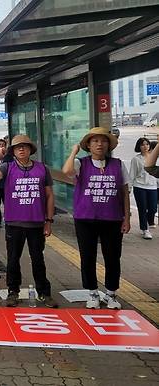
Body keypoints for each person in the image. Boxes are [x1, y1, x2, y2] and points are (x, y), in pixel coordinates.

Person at [0, 135, 58, 308]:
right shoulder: (7, 167)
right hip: (14, 223)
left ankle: (43, 292)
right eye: (18, 147)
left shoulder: (42, 168)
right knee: (12, 259)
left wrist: (48, 220)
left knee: (38, 258)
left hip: (36, 223)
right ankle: (13, 291)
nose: (21, 150)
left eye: (25, 147)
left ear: (30, 150)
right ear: (13, 151)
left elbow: (49, 196)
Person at [62, 127, 130, 310]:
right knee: (87, 256)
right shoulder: (81, 163)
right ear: (88, 145)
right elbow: (66, 171)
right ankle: (92, 292)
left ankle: (111, 293)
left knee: (113, 257)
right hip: (85, 219)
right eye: (95, 141)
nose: (99, 144)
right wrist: (74, 152)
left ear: (108, 145)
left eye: (103, 141)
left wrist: (127, 218)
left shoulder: (118, 164)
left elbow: (124, 192)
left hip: (113, 219)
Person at [129, 137, 157, 239]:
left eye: (147, 144)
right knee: (142, 209)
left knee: (153, 208)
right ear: (139, 147)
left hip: (153, 186)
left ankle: (149, 222)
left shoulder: (155, 158)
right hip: (139, 186)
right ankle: (145, 230)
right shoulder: (136, 159)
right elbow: (132, 174)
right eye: (142, 144)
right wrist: (129, 187)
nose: (145, 146)